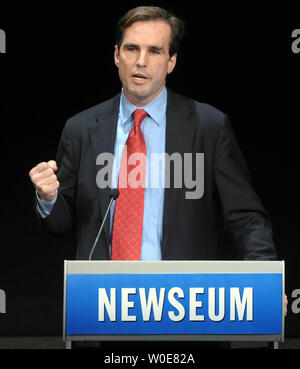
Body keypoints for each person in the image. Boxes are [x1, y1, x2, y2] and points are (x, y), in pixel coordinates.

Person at [29, 6, 283, 348]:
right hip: (102, 316)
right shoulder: (80, 129)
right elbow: (63, 223)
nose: (141, 61)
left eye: (155, 51)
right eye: (132, 49)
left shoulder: (209, 126)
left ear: (171, 62)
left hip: (186, 319)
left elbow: (246, 218)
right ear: (116, 56)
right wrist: (49, 200)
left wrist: (265, 280)